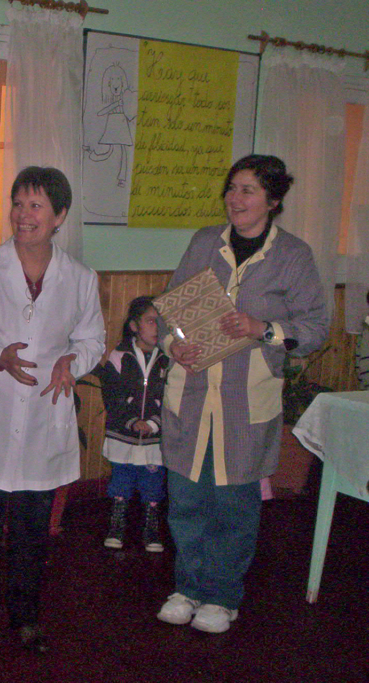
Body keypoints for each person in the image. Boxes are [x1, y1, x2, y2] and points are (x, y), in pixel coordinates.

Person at [0, 167, 105, 656]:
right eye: (18, 203)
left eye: (36, 206)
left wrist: (75, 359)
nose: (23, 215)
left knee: (33, 531)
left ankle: (26, 616)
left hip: (43, 417)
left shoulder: (80, 277)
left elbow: (93, 338)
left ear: (59, 216)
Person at [156, 154, 329, 634]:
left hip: (245, 403)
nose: (236, 198)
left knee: (234, 504)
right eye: (233, 188)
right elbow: (171, 311)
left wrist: (264, 329)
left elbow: (314, 328)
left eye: (249, 190)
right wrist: (176, 345)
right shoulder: (203, 243)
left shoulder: (293, 256)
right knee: (186, 497)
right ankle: (187, 587)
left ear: (273, 200)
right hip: (191, 394)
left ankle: (222, 596)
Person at [92, 296, 169, 552]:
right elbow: (111, 394)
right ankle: (116, 524)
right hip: (122, 435)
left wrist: (154, 423)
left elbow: (171, 397)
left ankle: (151, 526)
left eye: (161, 321)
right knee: (121, 479)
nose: (157, 327)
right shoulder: (119, 356)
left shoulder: (168, 359)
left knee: (153, 482)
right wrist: (132, 420)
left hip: (154, 439)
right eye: (150, 321)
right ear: (134, 326)